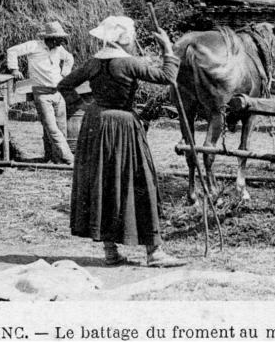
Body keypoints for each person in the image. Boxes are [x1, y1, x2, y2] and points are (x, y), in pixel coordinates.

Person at [57, 16, 186, 268]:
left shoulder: (94, 63)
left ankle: (110, 251)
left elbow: (64, 85)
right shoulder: (127, 63)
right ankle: (154, 252)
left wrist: (85, 108)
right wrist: (168, 48)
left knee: (103, 182)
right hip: (123, 126)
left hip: (95, 125)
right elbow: (168, 77)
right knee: (139, 180)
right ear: (123, 38)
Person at [7, 21, 74, 164]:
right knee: (52, 130)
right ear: (50, 38)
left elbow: (69, 58)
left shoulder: (58, 49)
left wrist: (64, 74)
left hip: (57, 93)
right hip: (42, 94)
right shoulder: (34, 46)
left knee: (61, 129)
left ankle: (54, 159)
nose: (61, 41)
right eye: (59, 38)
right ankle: (69, 159)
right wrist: (14, 69)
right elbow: (12, 51)